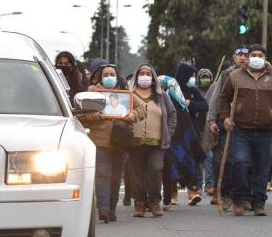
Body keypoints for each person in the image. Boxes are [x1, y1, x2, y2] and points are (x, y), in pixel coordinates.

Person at [217, 44, 272, 216]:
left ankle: (258, 202)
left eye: (260, 55)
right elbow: (223, 98)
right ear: (248, 57)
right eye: (253, 54)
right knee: (240, 162)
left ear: (265, 58)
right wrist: (226, 118)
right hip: (241, 130)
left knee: (262, 167)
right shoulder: (235, 76)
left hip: (266, 131)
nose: (257, 57)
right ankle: (239, 200)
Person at [80, 64, 144, 223]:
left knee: (116, 177)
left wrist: (133, 114)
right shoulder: (92, 93)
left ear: (117, 76)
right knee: (103, 175)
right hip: (100, 141)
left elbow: (141, 109)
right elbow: (81, 115)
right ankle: (103, 209)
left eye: (112, 74)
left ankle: (111, 209)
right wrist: (93, 116)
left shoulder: (125, 93)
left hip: (121, 141)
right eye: (106, 74)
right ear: (101, 77)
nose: (109, 77)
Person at [130, 63, 177, 217]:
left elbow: (172, 115)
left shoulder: (161, 95)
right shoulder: (129, 95)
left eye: (148, 73)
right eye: (141, 73)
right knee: (138, 173)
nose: (145, 76)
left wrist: (168, 133)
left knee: (155, 169)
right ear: (137, 76)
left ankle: (154, 201)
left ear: (153, 77)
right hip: (134, 142)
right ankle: (140, 203)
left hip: (156, 142)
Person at [207, 46, 250, 209]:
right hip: (226, 123)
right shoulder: (226, 75)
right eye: (240, 54)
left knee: (245, 161)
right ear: (234, 57)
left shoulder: (255, 73)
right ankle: (225, 194)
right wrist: (212, 120)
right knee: (223, 160)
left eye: (246, 55)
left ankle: (244, 196)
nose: (243, 58)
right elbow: (215, 98)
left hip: (247, 125)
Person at [174, 63, 209, 205]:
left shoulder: (193, 90)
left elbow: (204, 105)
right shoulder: (172, 89)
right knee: (175, 161)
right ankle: (172, 193)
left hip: (191, 131)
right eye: (191, 76)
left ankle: (193, 191)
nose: (193, 79)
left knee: (193, 161)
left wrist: (191, 104)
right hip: (176, 131)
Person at [196, 68, 215, 195]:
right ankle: (197, 186)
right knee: (197, 159)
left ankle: (209, 185)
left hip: (209, 129)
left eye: (207, 77)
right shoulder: (195, 92)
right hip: (197, 128)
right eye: (202, 77)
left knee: (209, 157)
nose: (205, 79)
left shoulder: (214, 91)